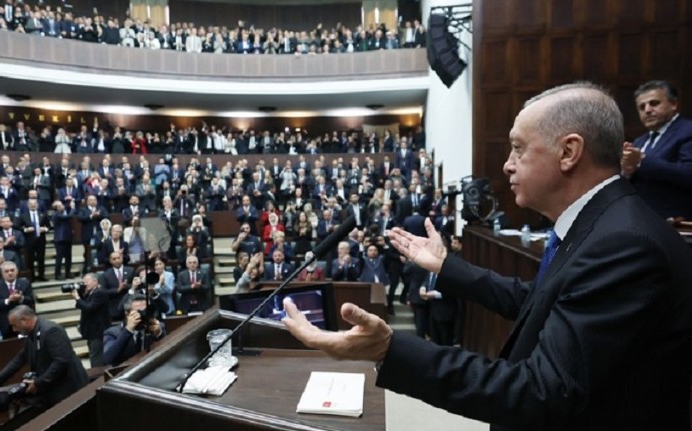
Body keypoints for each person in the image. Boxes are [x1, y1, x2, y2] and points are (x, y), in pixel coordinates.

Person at [282, 83, 692, 430]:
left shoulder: (622, 244)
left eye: (517, 149)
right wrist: (446, 267)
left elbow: (543, 390)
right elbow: (535, 301)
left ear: (569, 152)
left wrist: (389, 349)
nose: (506, 165)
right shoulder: (603, 224)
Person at [0, 306, 89, 408]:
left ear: (24, 320)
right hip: (54, 389)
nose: (14, 329)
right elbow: (19, 359)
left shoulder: (51, 330)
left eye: (14, 325)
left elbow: (61, 361)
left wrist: (38, 383)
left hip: (69, 389)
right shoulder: (32, 334)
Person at [621, 80, 692, 219]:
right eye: (642, 107)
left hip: (676, 222)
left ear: (673, 104)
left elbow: (689, 173)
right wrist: (626, 171)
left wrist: (642, 160)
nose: (647, 110)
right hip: (641, 219)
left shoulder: (688, 131)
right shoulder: (639, 141)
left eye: (654, 103)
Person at [102, 294, 165, 366]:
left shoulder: (157, 327)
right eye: (139, 312)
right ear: (127, 314)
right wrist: (128, 330)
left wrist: (158, 334)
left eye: (146, 311)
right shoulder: (112, 333)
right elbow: (108, 358)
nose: (143, 314)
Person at [0, 261, 35, 339]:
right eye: (6, 271)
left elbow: (31, 300)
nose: (10, 273)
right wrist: (7, 301)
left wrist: (21, 298)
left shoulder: (25, 283)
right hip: (3, 322)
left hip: (22, 321)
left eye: (12, 270)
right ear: (2, 273)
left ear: (17, 271)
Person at [71, 272, 108, 367]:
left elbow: (89, 308)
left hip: (98, 331)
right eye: (83, 282)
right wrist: (78, 295)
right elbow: (82, 305)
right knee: (92, 351)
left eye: (87, 282)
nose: (85, 284)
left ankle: (97, 377)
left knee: (95, 355)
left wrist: (77, 298)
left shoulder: (100, 292)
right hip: (90, 330)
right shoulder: (90, 292)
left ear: (95, 281)